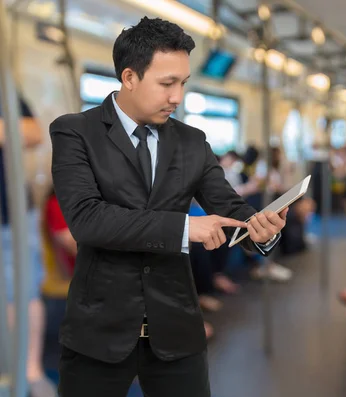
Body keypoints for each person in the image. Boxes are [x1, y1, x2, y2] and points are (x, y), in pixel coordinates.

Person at [49, 17, 287, 397]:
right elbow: (88, 220)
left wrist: (260, 229)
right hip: (100, 331)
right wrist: (184, 228)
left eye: (183, 84)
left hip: (177, 326)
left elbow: (230, 206)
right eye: (167, 84)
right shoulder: (75, 132)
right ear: (129, 77)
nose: (177, 97)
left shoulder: (192, 141)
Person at [0, 94, 57, 397]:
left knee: (24, 290)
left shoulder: (3, 87)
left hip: (10, 211)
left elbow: (33, 132)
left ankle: (31, 370)